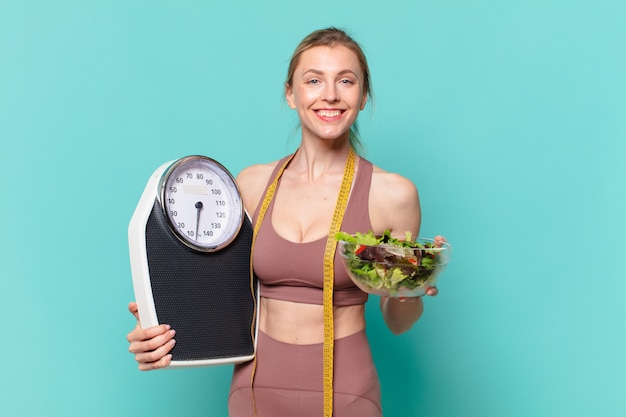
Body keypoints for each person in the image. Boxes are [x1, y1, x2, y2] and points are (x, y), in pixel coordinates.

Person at [127, 27, 445, 417]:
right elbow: (220, 289)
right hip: (256, 386)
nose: (330, 94)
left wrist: (409, 291)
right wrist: (159, 317)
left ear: (363, 96)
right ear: (291, 94)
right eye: (314, 80)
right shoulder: (250, 184)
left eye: (346, 81)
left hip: (345, 389)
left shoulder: (392, 194)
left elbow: (398, 322)